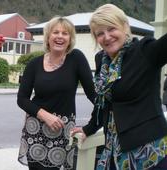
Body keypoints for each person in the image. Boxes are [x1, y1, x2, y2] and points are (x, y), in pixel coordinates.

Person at [71, 4, 167, 170]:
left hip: (150, 152)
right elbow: (104, 102)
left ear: (125, 27)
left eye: (111, 29)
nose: (107, 37)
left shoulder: (144, 51)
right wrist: (89, 128)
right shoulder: (101, 60)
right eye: (100, 33)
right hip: (115, 151)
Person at [17, 16, 96, 170]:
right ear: (48, 37)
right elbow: (22, 99)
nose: (60, 36)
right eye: (56, 32)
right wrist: (44, 115)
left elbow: (93, 94)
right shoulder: (34, 64)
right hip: (36, 132)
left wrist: (96, 122)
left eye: (65, 33)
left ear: (70, 39)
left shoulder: (76, 59)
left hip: (62, 132)